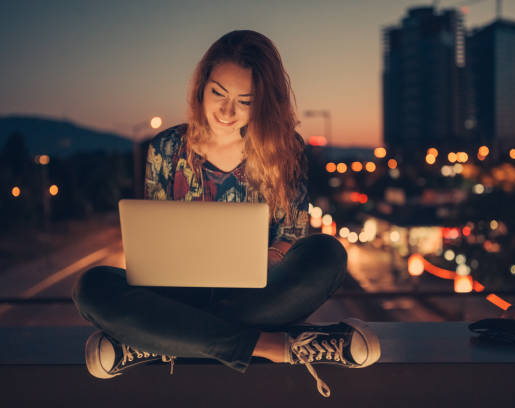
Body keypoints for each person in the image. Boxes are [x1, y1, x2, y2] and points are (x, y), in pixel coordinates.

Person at [72, 30, 380, 398]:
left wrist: (269, 256)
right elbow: (154, 234)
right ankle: (275, 347)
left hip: (257, 293)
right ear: (201, 86)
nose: (226, 111)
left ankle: (156, 341)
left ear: (262, 103)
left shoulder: (286, 149)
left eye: (244, 101)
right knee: (91, 288)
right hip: (179, 294)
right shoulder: (166, 148)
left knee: (328, 254)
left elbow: (293, 234)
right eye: (218, 93)